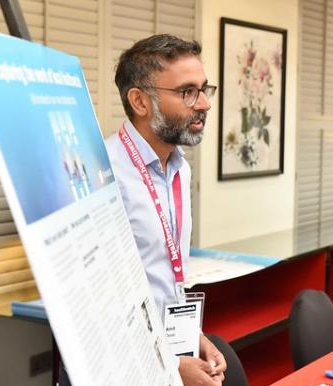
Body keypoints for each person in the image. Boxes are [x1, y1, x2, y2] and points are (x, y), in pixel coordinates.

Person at [107, 34, 226, 386]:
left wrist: (194, 339)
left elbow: (164, 279)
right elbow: (106, 306)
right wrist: (170, 364)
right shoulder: (105, 174)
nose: (203, 103)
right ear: (140, 101)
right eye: (187, 91)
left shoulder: (178, 166)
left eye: (205, 89)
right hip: (126, 369)